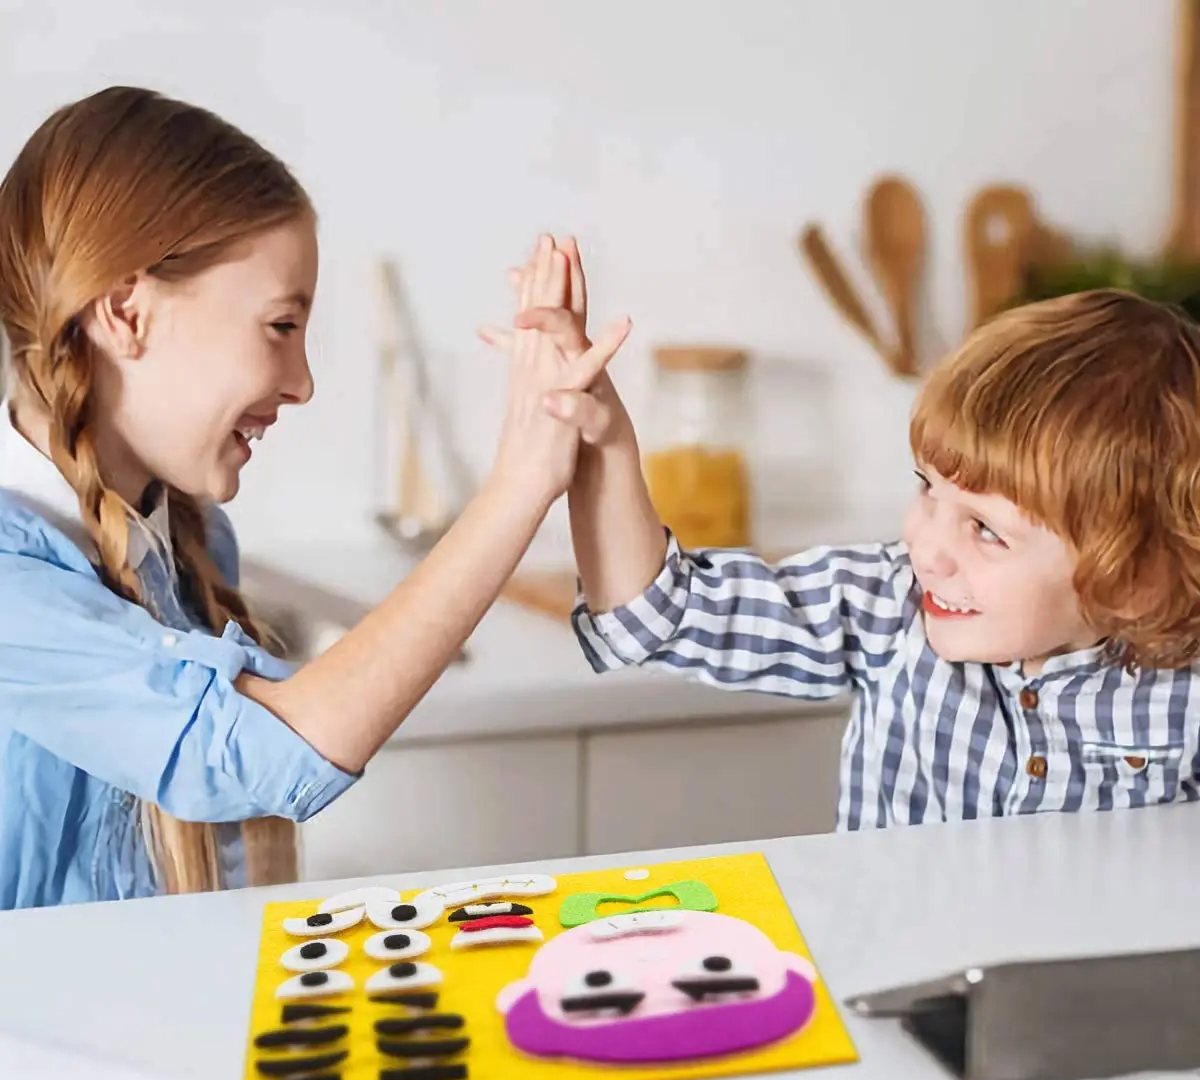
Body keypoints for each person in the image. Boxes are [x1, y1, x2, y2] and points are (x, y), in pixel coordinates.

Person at [0, 86, 630, 909]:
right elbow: (256, 752)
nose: (302, 383)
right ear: (127, 312)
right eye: (280, 327)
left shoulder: (192, 541)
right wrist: (517, 487)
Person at [487, 242, 1200, 830]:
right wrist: (608, 443)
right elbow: (654, 614)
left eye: (985, 530)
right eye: (927, 489)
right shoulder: (887, 607)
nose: (927, 548)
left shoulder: (1184, 687)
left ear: (1136, 576)